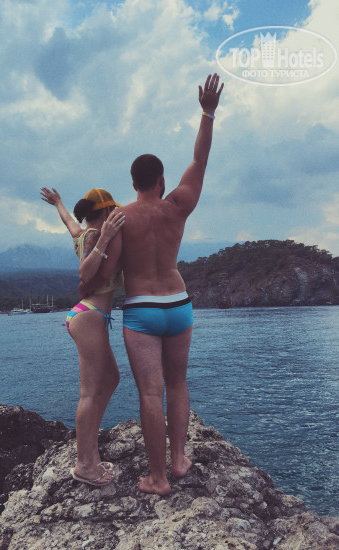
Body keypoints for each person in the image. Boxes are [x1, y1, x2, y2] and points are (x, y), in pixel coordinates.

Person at [81, 73, 224, 495]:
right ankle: (179, 461)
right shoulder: (178, 204)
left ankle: (158, 478)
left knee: (150, 393)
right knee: (178, 384)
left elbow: (105, 274)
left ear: (133, 184)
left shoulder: (120, 217)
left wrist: (92, 271)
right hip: (179, 303)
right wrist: (207, 113)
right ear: (161, 180)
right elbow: (200, 161)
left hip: (142, 310)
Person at [41, 187, 125, 486]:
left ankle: (90, 447)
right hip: (89, 315)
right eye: (112, 211)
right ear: (106, 212)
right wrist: (105, 237)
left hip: (91, 315)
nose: (116, 215)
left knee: (111, 378)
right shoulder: (93, 236)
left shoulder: (81, 233)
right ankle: (84, 465)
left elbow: (68, 222)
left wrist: (58, 203)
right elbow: (84, 274)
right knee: (89, 393)